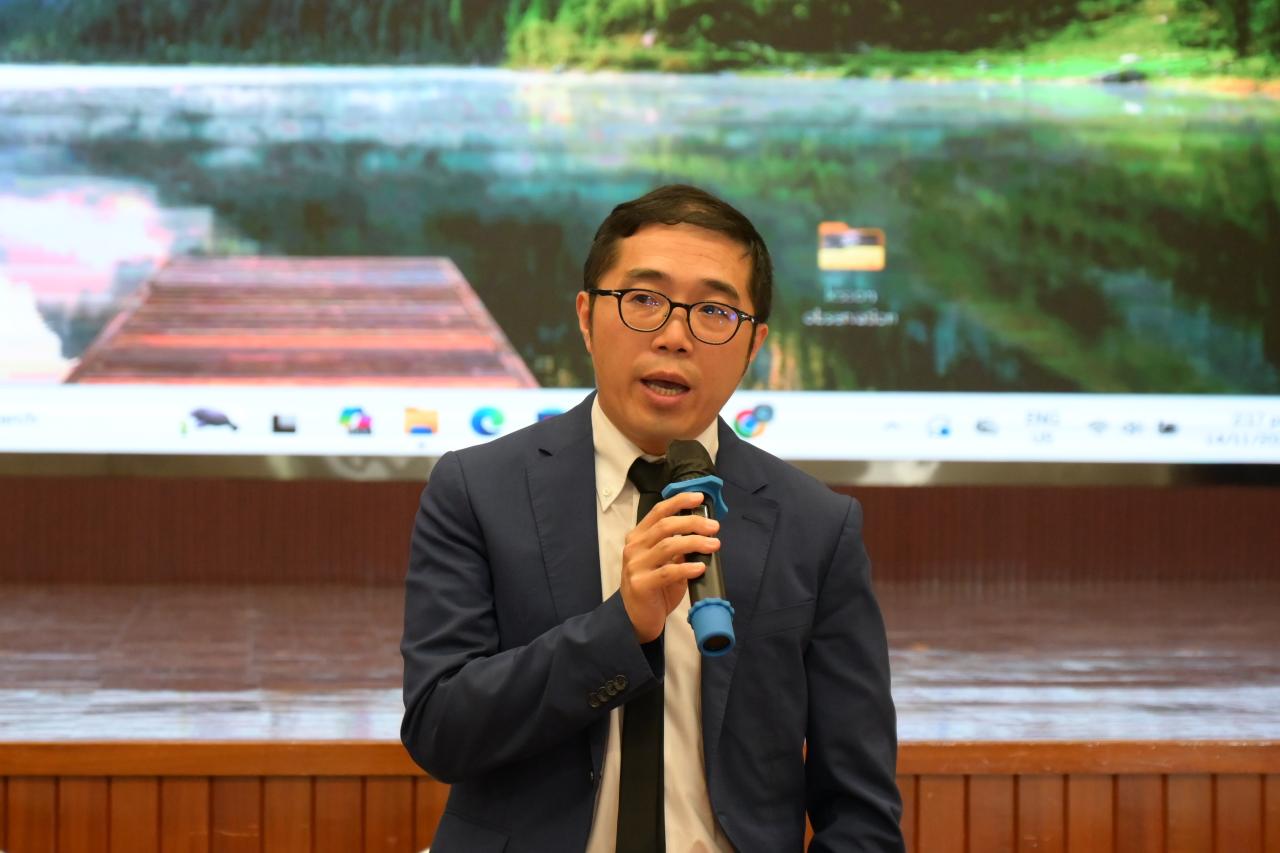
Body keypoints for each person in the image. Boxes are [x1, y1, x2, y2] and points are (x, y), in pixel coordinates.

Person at [401, 184, 903, 851]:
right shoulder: (477, 489)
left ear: (753, 345)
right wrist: (621, 628)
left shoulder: (816, 525)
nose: (673, 336)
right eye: (643, 300)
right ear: (587, 317)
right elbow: (440, 730)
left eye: (714, 311)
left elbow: (861, 809)